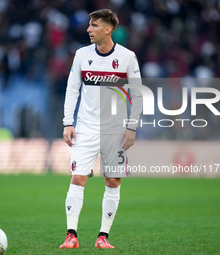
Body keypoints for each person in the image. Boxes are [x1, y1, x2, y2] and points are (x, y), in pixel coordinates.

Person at [60, 9, 142, 249]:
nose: (88, 29)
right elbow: (72, 89)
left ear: (108, 29)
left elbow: (137, 95)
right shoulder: (82, 55)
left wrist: (132, 127)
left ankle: (102, 237)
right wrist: (68, 122)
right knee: (77, 178)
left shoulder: (127, 57)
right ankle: (71, 235)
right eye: (89, 25)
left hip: (115, 131)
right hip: (85, 129)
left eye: (94, 25)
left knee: (113, 181)